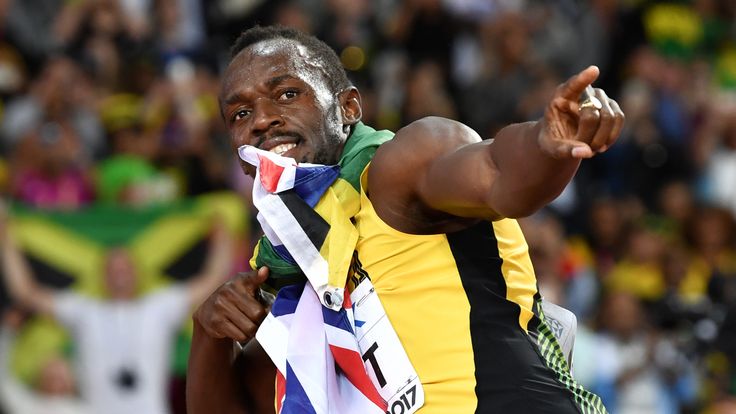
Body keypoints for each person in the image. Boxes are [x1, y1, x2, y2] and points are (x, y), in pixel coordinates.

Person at [187, 25, 624, 413]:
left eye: (287, 94)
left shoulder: (399, 169)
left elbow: (497, 172)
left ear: (349, 108)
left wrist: (545, 143)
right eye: (240, 114)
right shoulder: (296, 280)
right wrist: (208, 333)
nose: (262, 119)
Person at [1, 213, 234, 414]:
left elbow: (211, 282)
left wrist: (224, 233)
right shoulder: (84, 310)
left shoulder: (160, 306)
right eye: (112, 267)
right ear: (102, 275)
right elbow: (26, 292)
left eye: (125, 266)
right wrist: (5, 238)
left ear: (138, 272)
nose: (119, 273)